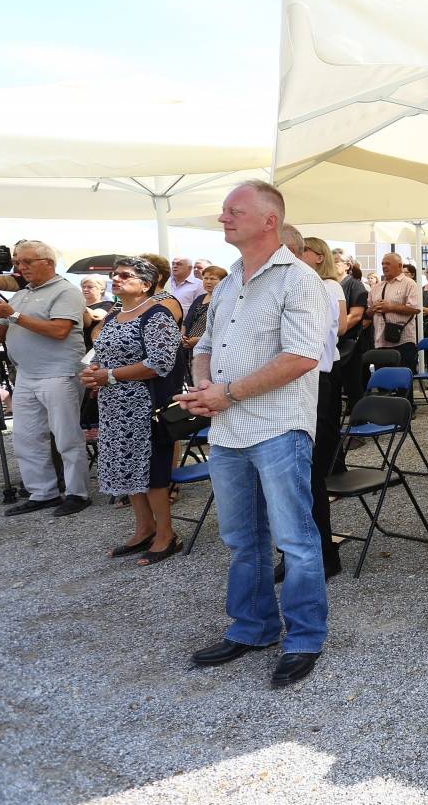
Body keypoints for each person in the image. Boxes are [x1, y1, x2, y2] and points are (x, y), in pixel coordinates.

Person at [179, 181, 331, 688]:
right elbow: (207, 344)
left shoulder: (298, 279)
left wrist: (228, 393)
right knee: (242, 540)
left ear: (269, 221)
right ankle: (254, 627)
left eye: (233, 211)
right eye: (224, 211)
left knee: (295, 540)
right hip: (228, 429)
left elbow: (302, 356)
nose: (223, 218)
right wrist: (203, 383)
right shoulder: (227, 283)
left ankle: (304, 637)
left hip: (276, 428)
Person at [0, 241, 91, 517]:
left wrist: (14, 315)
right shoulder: (21, 295)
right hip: (27, 374)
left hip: (59, 373)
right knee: (26, 437)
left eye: (27, 261)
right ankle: (42, 492)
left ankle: (77, 493)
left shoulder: (65, 291)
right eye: (18, 262)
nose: (20, 267)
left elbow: (59, 331)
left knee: (66, 437)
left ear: (48, 263)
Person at [82, 257, 184, 564]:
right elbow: (103, 355)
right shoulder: (114, 317)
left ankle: (167, 535)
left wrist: (110, 376)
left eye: (125, 275)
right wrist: (95, 373)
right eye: (114, 275)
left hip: (144, 406)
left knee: (152, 473)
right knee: (128, 472)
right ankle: (144, 530)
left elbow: (160, 364)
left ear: (145, 284)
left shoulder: (157, 315)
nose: (116, 279)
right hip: (114, 406)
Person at [296, 237, 349, 580]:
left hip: (316, 379)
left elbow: (330, 330)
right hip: (302, 381)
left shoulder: (325, 286)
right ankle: (302, 551)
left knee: (308, 470)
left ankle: (322, 553)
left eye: (300, 251)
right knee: (298, 473)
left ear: (316, 256)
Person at [369, 253, 422, 373]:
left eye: (388, 263)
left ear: (399, 266)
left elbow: (416, 309)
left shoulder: (410, 284)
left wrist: (391, 307)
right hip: (380, 340)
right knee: (383, 384)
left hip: (403, 341)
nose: (384, 266)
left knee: (403, 384)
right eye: (382, 263)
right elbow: (367, 314)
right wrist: (374, 308)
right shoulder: (376, 287)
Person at [80, 276, 117, 351]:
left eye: (90, 287)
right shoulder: (78, 304)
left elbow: (96, 316)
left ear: (102, 289)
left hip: (92, 347)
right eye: (83, 287)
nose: (85, 289)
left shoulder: (108, 304)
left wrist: (77, 302)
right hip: (76, 345)